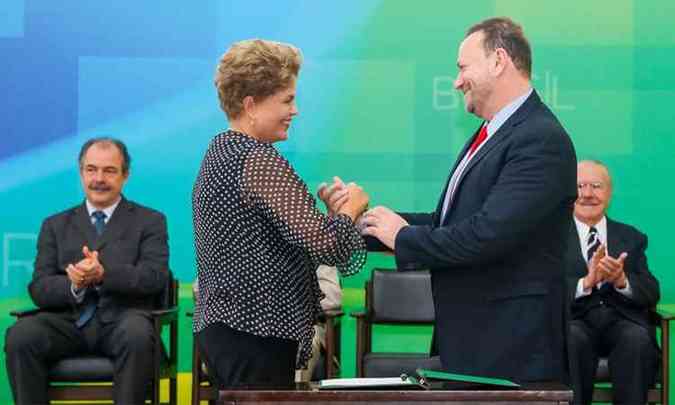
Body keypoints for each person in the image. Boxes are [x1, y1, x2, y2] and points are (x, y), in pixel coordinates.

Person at [359, 17, 577, 383]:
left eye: (462, 68)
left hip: (510, 350)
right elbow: (450, 222)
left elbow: (487, 234)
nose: (457, 81)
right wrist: (364, 223)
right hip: (474, 341)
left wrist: (402, 237)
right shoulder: (495, 131)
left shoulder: (540, 139)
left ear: (498, 61)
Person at [192, 39, 369, 388]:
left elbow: (285, 234)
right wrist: (351, 207)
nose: (296, 110)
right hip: (254, 333)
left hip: (231, 330)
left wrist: (332, 215)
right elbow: (327, 247)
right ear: (251, 105)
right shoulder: (256, 159)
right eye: (287, 100)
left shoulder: (220, 151)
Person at [4, 137, 170, 404]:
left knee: (137, 333)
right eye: (91, 169)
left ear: (125, 175)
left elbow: (154, 277)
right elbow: (40, 287)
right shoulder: (55, 225)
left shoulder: (150, 221)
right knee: (20, 336)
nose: (99, 179)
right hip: (68, 323)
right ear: (81, 173)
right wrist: (74, 284)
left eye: (109, 170)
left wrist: (105, 274)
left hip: (123, 321)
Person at [567, 160, 659, 405]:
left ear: (608, 193)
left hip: (621, 321)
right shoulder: (550, 239)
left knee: (637, 339)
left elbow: (651, 292)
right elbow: (544, 289)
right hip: (574, 320)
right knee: (571, 337)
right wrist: (586, 282)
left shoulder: (632, 237)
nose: (587, 194)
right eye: (580, 186)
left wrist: (622, 280)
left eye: (596, 186)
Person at [295, 265, 342, 382]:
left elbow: (333, 298)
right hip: (266, 326)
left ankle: (295, 395)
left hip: (309, 324)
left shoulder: (318, 251)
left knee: (306, 339)